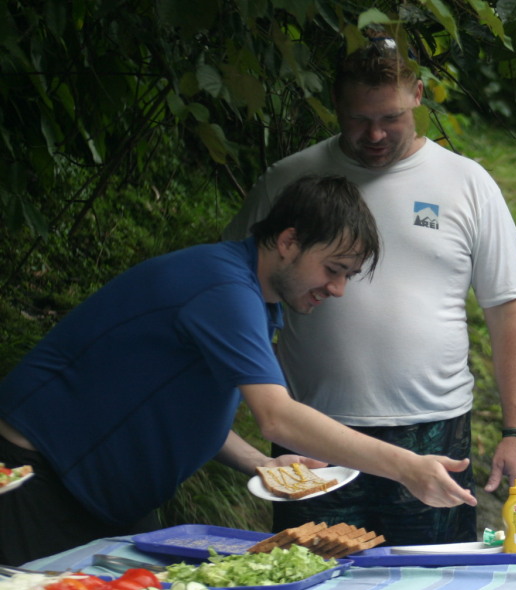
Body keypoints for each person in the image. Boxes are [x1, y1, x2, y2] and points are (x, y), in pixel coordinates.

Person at [0, 175, 477, 565]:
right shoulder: (223, 288)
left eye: (347, 276)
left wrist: (262, 464)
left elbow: (185, 404)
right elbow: (278, 417)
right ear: (289, 242)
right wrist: (407, 467)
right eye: (333, 269)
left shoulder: (252, 296)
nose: (337, 290)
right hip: (38, 476)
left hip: (98, 493)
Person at [224, 40, 516, 545]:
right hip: (314, 430)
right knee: (315, 577)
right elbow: (235, 288)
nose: (374, 134)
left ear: (418, 94)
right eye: (357, 119)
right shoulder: (288, 179)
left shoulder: (466, 182)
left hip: (433, 427)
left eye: (389, 117)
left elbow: (508, 311)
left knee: (432, 577)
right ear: (335, 106)